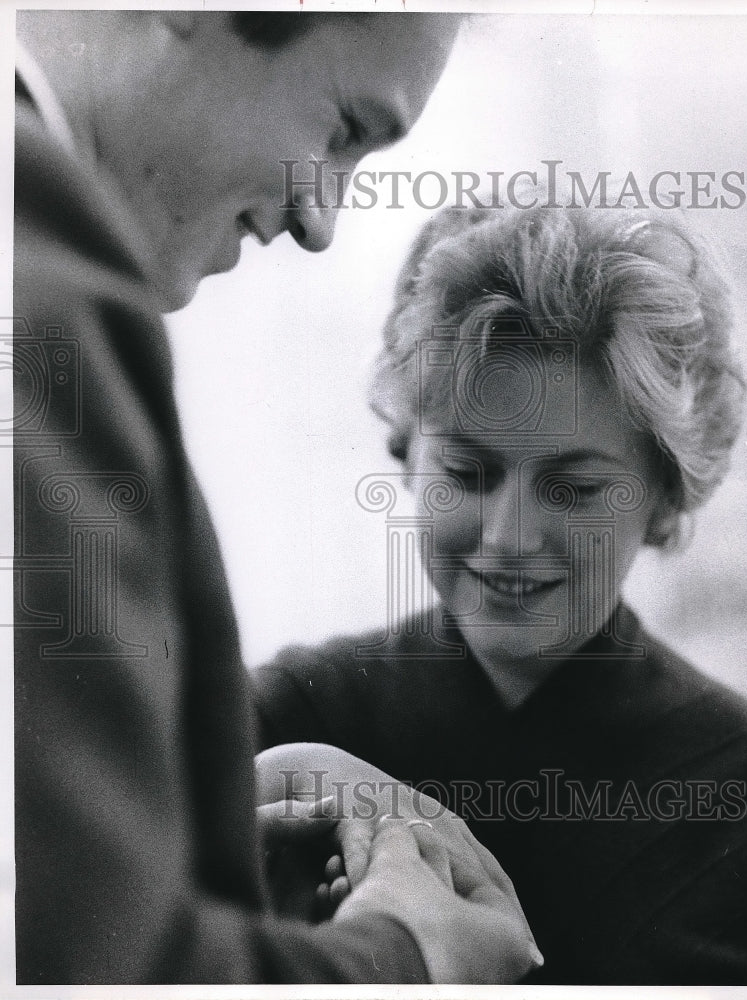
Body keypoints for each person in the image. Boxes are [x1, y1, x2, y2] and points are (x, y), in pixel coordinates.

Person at [14, 10, 543, 985]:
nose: (318, 220)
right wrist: (407, 956)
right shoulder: (42, 300)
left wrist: (180, 838)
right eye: (344, 130)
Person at [252, 204, 747, 984]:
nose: (507, 537)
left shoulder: (746, 797)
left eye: (572, 487)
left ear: (665, 496)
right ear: (405, 453)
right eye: (467, 474)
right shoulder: (284, 719)